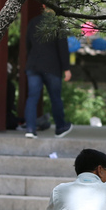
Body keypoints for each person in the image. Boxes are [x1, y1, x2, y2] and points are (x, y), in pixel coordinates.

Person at [24, 8, 74, 139]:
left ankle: (30, 128)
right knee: (55, 98)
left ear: (43, 6)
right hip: (52, 67)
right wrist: (66, 69)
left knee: (32, 97)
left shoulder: (33, 22)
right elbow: (63, 48)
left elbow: (27, 44)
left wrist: (31, 60)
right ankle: (60, 127)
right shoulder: (58, 25)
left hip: (33, 65)